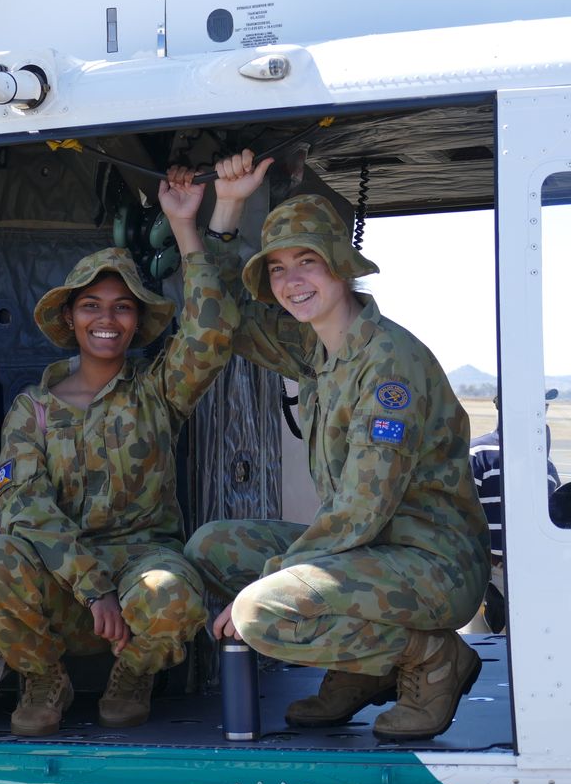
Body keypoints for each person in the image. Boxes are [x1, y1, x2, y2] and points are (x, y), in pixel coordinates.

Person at [183, 151, 491, 741]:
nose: (291, 281)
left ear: (341, 267)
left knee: (260, 611)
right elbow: (219, 316)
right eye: (277, 268)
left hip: (432, 566)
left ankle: (432, 657)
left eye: (308, 262)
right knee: (213, 548)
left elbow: (360, 509)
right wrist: (225, 210)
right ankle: (362, 666)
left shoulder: (388, 364)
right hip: (367, 555)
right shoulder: (316, 349)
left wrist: (272, 584)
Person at [0, 172, 239, 736]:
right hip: (62, 585)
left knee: (173, 593)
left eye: (122, 307)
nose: (106, 320)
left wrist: (184, 226)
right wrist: (93, 586)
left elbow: (210, 332)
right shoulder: (32, 409)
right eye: (91, 305)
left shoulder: (158, 390)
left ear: (137, 321)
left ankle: (134, 672)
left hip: (141, 578)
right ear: (69, 318)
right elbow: (25, 508)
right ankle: (43, 678)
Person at [466, 388, 561, 632]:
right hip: (484, 573)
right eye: (536, 407)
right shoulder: (477, 454)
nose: (541, 413)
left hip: (529, 574)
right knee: (479, 643)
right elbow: (460, 515)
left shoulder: (544, 462)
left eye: (544, 408)